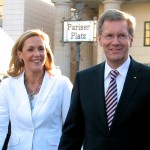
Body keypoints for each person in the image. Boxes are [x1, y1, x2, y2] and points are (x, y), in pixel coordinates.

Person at [58, 9, 150, 150]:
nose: (115, 42)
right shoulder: (84, 80)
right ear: (100, 39)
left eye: (121, 35)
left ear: (131, 40)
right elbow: (72, 134)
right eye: (109, 36)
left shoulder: (147, 77)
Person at [0, 29, 73, 150]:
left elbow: (72, 126)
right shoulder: (7, 86)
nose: (37, 54)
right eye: (30, 49)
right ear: (20, 54)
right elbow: (1, 126)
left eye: (41, 48)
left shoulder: (62, 84)